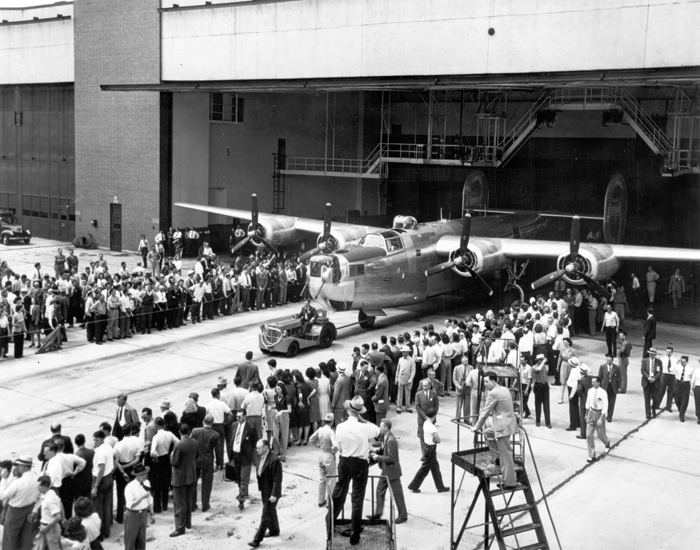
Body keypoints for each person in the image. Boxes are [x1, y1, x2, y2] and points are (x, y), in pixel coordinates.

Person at [326, 396, 381, 546]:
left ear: (349, 410)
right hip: (360, 463)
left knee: (339, 493)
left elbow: (338, 445)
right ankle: (354, 532)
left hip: (345, 461)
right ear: (359, 412)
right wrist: (362, 419)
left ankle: (329, 522)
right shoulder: (365, 427)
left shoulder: (340, 427)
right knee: (357, 498)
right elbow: (378, 431)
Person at [471, 372, 519, 488]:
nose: (485, 384)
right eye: (484, 382)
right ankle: (497, 457)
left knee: (506, 455)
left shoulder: (493, 393)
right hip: (507, 423)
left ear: (493, 381)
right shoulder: (504, 389)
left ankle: (510, 482)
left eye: (487, 382)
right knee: (487, 433)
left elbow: (485, 412)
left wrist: (476, 426)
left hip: (502, 427)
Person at [368, 419, 407, 523]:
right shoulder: (386, 437)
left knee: (397, 494)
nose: (379, 428)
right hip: (386, 470)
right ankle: (378, 514)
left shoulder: (391, 440)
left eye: (381, 427)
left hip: (392, 471)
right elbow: (382, 449)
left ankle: (403, 515)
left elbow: (391, 458)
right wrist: (374, 451)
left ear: (385, 428)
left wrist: (378, 458)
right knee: (379, 490)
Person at [247, 439, 283, 548]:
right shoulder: (261, 456)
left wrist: (274, 495)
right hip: (264, 490)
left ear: (266, 448)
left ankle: (257, 539)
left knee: (265, 515)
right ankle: (274, 530)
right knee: (270, 511)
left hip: (272, 493)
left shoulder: (274, 460)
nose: (257, 450)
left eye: (259, 448)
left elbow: (277, 480)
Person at [0, 455, 39, 550]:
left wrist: (3, 479)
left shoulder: (19, 482)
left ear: (22, 466)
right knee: (26, 537)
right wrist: (35, 510)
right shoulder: (38, 478)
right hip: (30, 509)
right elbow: (40, 497)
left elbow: (3, 496)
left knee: (10, 537)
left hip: (15, 511)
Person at [407, 407, 449, 494]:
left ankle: (440, 487)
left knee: (435, 469)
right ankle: (414, 486)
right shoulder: (432, 427)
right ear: (434, 416)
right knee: (424, 470)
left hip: (428, 448)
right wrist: (437, 439)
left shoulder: (425, 423)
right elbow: (438, 440)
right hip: (431, 450)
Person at [169, 423, 199, 538]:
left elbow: (175, 462)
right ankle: (188, 523)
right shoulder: (195, 442)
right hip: (191, 475)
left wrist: (171, 457)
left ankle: (180, 528)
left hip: (179, 477)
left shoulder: (178, 445)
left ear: (179, 432)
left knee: (179, 504)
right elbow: (196, 456)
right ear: (189, 431)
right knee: (188, 500)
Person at [232, 409, 259, 510]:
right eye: (237, 417)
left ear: (244, 416)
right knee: (239, 477)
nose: (237, 418)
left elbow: (255, 442)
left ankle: (241, 500)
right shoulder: (234, 425)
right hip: (236, 456)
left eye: (239, 417)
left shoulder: (250, 428)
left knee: (244, 478)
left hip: (245, 457)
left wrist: (249, 453)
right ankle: (244, 492)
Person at [191, 414, 219, 512]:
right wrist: (219, 463)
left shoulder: (195, 431)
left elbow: (190, 443)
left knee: (193, 483)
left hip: (196, 460)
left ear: (203, 421)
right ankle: (205, 505)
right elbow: (218, 450)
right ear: (212, 423)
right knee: (207, 484)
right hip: (208, 461)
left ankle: (192, 505)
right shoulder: (215, 434)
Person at [308, 413, 337, 508]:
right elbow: (335, 445)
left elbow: (311, 439)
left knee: (321, 479)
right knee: (331, 480)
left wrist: (317, 445)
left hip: (321, 454)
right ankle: (330, 502)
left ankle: (321, 500)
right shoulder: (331, 432)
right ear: (332, 422)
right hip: (328, 455)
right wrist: (334, 451)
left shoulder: (320, 430)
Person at [91, 430, 115, 540]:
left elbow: (100, 470)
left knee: (98, 508)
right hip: (109, 478)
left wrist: (95, 486)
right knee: (107, 506)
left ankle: (99, 534)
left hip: (100, 480)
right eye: (94, 439)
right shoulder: (108, 447)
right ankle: (107, 531)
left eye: (96, 440)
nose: (94, 441)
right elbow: (116, 456)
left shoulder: (99, 452)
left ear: (101, 439)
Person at [123, 463, 153, 550]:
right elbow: (130, 504)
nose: (145, 476)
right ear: (137, 476)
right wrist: (142, 497)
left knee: (141, 541)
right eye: (142, 474)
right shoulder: (130, 487)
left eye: (145, 473)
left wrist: (152, 514)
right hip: (132, 515)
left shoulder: (147, 482)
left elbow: (150, 499)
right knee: (130, 542)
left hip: (143, 515)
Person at [585, 376, 611, 462]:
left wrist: (601, 418)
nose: (592, 383)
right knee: (589, 435)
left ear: (598, 383)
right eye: (592, 382)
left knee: (600, 435)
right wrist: (586, 414)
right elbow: (588, 403)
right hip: (591, 412)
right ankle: (591, 455)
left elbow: (605, 406)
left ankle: (607, 443)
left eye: (594, 382)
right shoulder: (590, 391)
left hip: (600, 413)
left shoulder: (603, 393)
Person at [37, 474, 63, 550]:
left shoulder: (49, 499)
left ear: (44, 486)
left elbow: (58, 517)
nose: (37, 487)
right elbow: (60, 504)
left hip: (51, 529)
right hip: (47, 527)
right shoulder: (51, 492)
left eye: (39, 485)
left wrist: (47, 528)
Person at [414, 379, 439, 453]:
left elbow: (436, 405)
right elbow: (417, 407)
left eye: (426, 386)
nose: (424, 387)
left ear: (429, 386)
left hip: (431, 420)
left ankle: (432, 452)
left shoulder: (434, 394)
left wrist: (433, 415)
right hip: (422, 419)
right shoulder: (418, 394)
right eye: (423, 386)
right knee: (422, 437)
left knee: (431, 436)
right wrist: (425, 417)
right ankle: (424, 453)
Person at [598, 354, 621, 422]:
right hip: (604, 387)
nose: (608, 362)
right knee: (603, 402)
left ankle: (609, 417)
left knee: (612, 403)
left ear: (612, 360)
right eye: (607, 360)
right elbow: (599, 377)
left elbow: (619, 378)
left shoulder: (617, 368)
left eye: (610, 360)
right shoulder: (602, 367)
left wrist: (619, 387)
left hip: (613, 388)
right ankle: (603, 415)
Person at [641, 348, 662, 420]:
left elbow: (660, 372)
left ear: (655, 354)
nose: (651, 355)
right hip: (647, 382)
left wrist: (654, 379)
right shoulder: (644, 361)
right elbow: (643, 371)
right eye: (650, 354)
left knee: (656, 398)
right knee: (647, 399)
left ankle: (653, 408)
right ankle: (648, 413)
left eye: (653, 354)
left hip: (655, 382)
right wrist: (649, 378)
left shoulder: (659, 362)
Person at [531, 353, 551, 428]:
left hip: (544, 385)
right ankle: (538, 421)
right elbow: (538, 369)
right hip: (538, 385)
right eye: (540, 360)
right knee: (538, 405)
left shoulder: (544, 367)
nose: (541, 361)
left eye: (542, 360)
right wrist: (543, 362)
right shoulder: (534, 367)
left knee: (546, 405)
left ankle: (548, 422)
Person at [395, 345, 416, 414]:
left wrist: (410, 379)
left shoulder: (412, 360)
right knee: (399, 394)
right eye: (402, 352)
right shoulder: (400, 359)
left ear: (407, 352)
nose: (403, 353)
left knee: (407, 394)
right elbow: (398, 369)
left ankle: (407, 407)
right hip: (400, 378)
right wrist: (396, 378)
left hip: (408, 379)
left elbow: (413, 371)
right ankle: (399, 407)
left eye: (404, 352)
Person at [672, 356, 693, 423]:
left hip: (686, 384)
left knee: (684, 400)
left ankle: (682, 415)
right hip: (678, 383)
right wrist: (676, 362)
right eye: (681, 361)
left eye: (684, 362)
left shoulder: (690, 369)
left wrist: (691, 389)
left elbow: (692, 379)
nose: (682, 363)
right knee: (677, 399)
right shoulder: (677, 366)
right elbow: (670, 369)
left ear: (687, 362)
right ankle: (681, 410)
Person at [658, 346, 677, 413]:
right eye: (667, 352)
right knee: (661, 390)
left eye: (669, 352)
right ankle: (657, 404)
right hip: (664, 375)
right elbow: (659, 367)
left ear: (672, 352)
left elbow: (676, 369)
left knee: (671, 391)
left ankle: (669, 406)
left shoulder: (675, 360)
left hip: (672, 376)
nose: (668, 353)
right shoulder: (662, 359)